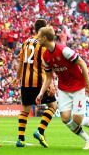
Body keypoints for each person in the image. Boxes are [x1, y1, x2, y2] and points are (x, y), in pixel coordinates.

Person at [35, 26, 89, 150]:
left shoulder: (64, 50)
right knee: (65, 118)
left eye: (39, 37)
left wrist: (88, 84)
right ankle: (88, 140)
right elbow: (49, 77)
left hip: (78, 86)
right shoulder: (45, 57)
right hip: (63, 88)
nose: (37, 39)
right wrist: (41, 93)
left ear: (45, 38)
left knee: (77, 119)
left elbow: (82, 63)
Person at [15, 19, 58, 148]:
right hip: (39, 81)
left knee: (25, 110)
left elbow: (21, 62)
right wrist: (50, 84)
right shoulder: (43, 44)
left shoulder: (26, 42)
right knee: (53, 106)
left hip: (26, 81)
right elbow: (46, 66)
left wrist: (18, 77)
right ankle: (40, 131)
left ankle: (20, 139)